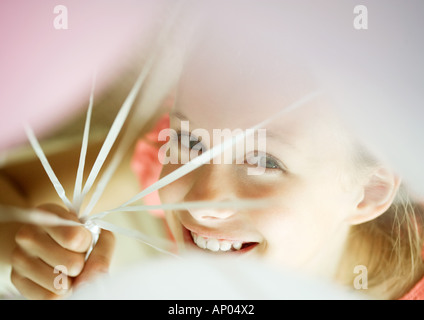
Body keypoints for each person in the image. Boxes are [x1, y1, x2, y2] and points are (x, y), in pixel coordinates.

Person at [2, 2, 424, 300]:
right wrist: (37, 257)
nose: (202, 203)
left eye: (264, 161)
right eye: (190, 139)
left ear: (369, 191)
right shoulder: (162, 164)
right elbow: (9, 191)